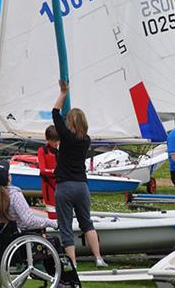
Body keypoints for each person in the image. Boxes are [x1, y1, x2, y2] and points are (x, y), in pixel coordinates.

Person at [52, 80, 107, 267]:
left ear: (70, 122)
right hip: (81, 186)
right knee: (87, 223)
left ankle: (73, 263)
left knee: (66, 226)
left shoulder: (65, 138)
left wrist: (63, 93)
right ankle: (98, 258)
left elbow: (54, 113)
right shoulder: (86, 140)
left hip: (64, 186)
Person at [0, 161, 57, 230]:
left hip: (2, 233)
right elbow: (29, 221)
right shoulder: (15, 195)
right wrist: (52, 222)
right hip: (19, 233)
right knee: (54, 240)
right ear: (9, 178)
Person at [37, 125, 60, 219]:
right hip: (49, 186)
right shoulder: (42, 151)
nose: (56, 143)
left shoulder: (60, 151)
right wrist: (55, 171)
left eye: (58, 140)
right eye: (54, 141)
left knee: (63, 209)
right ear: (48, 139)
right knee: (52, 211)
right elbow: (42, 170)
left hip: (60, 184)